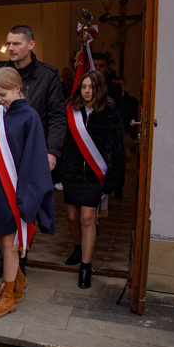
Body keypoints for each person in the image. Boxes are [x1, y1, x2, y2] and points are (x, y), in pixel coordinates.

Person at [0, 25, 66, 284]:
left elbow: (57, 116)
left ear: (31, 44)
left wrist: (52, 151)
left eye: (16, 43)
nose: (11, 48)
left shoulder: (48, 75)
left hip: (28, 151)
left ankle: (19, 265)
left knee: (22, 210)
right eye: (8, 43)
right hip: (0, 151)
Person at [0, 67, 55, 319]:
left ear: (18, 88)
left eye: (4, 94)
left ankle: (8, 296)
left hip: (16, 190)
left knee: (9, 243)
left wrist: (27, 196)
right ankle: (18, 279)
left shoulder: (30, 117)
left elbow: (34, 160)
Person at [61, 69, 124, 288]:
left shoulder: (110, 114)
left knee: (87, 219)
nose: (87, 91)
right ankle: (78, 248)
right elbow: (63, 143)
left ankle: (85, 266)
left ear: (100, 89)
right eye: (84, 87)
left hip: (95, 176)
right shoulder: (71, 111)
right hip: (72, 173)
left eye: (92, 87)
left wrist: (111, 181)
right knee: (71, 217)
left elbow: (117, 149)